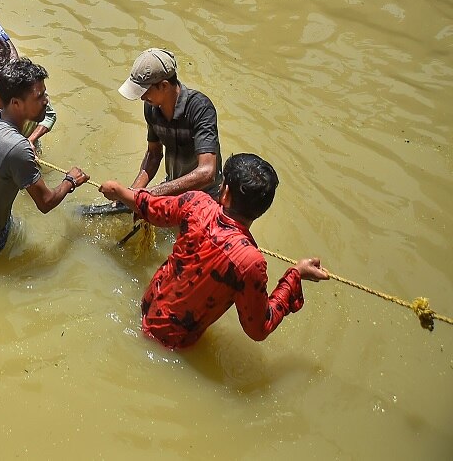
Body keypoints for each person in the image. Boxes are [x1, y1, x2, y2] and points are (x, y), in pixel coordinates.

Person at [100, 153, 330, 350]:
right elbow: (259, 328)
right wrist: (295, 276)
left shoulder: (196, 204)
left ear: (225, 192)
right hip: (174, 344)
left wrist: (120, 191)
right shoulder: (250, 261)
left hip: (146, 308)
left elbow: (152, 209)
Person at [0, 59, 88, 263]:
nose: (46, 101)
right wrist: (71, 180)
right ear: (16, 103)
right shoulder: (17, 148)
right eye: (39, 96)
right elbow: (45, 203)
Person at [118, 48, 222, 200]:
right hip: (172, 187)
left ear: (164, 86)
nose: (142, 97)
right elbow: (154, 155)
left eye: (145, 90)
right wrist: (132, 193)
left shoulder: (200, 108)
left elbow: (207, 173)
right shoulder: (151, 106)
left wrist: (152, 193)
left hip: (206, 195)